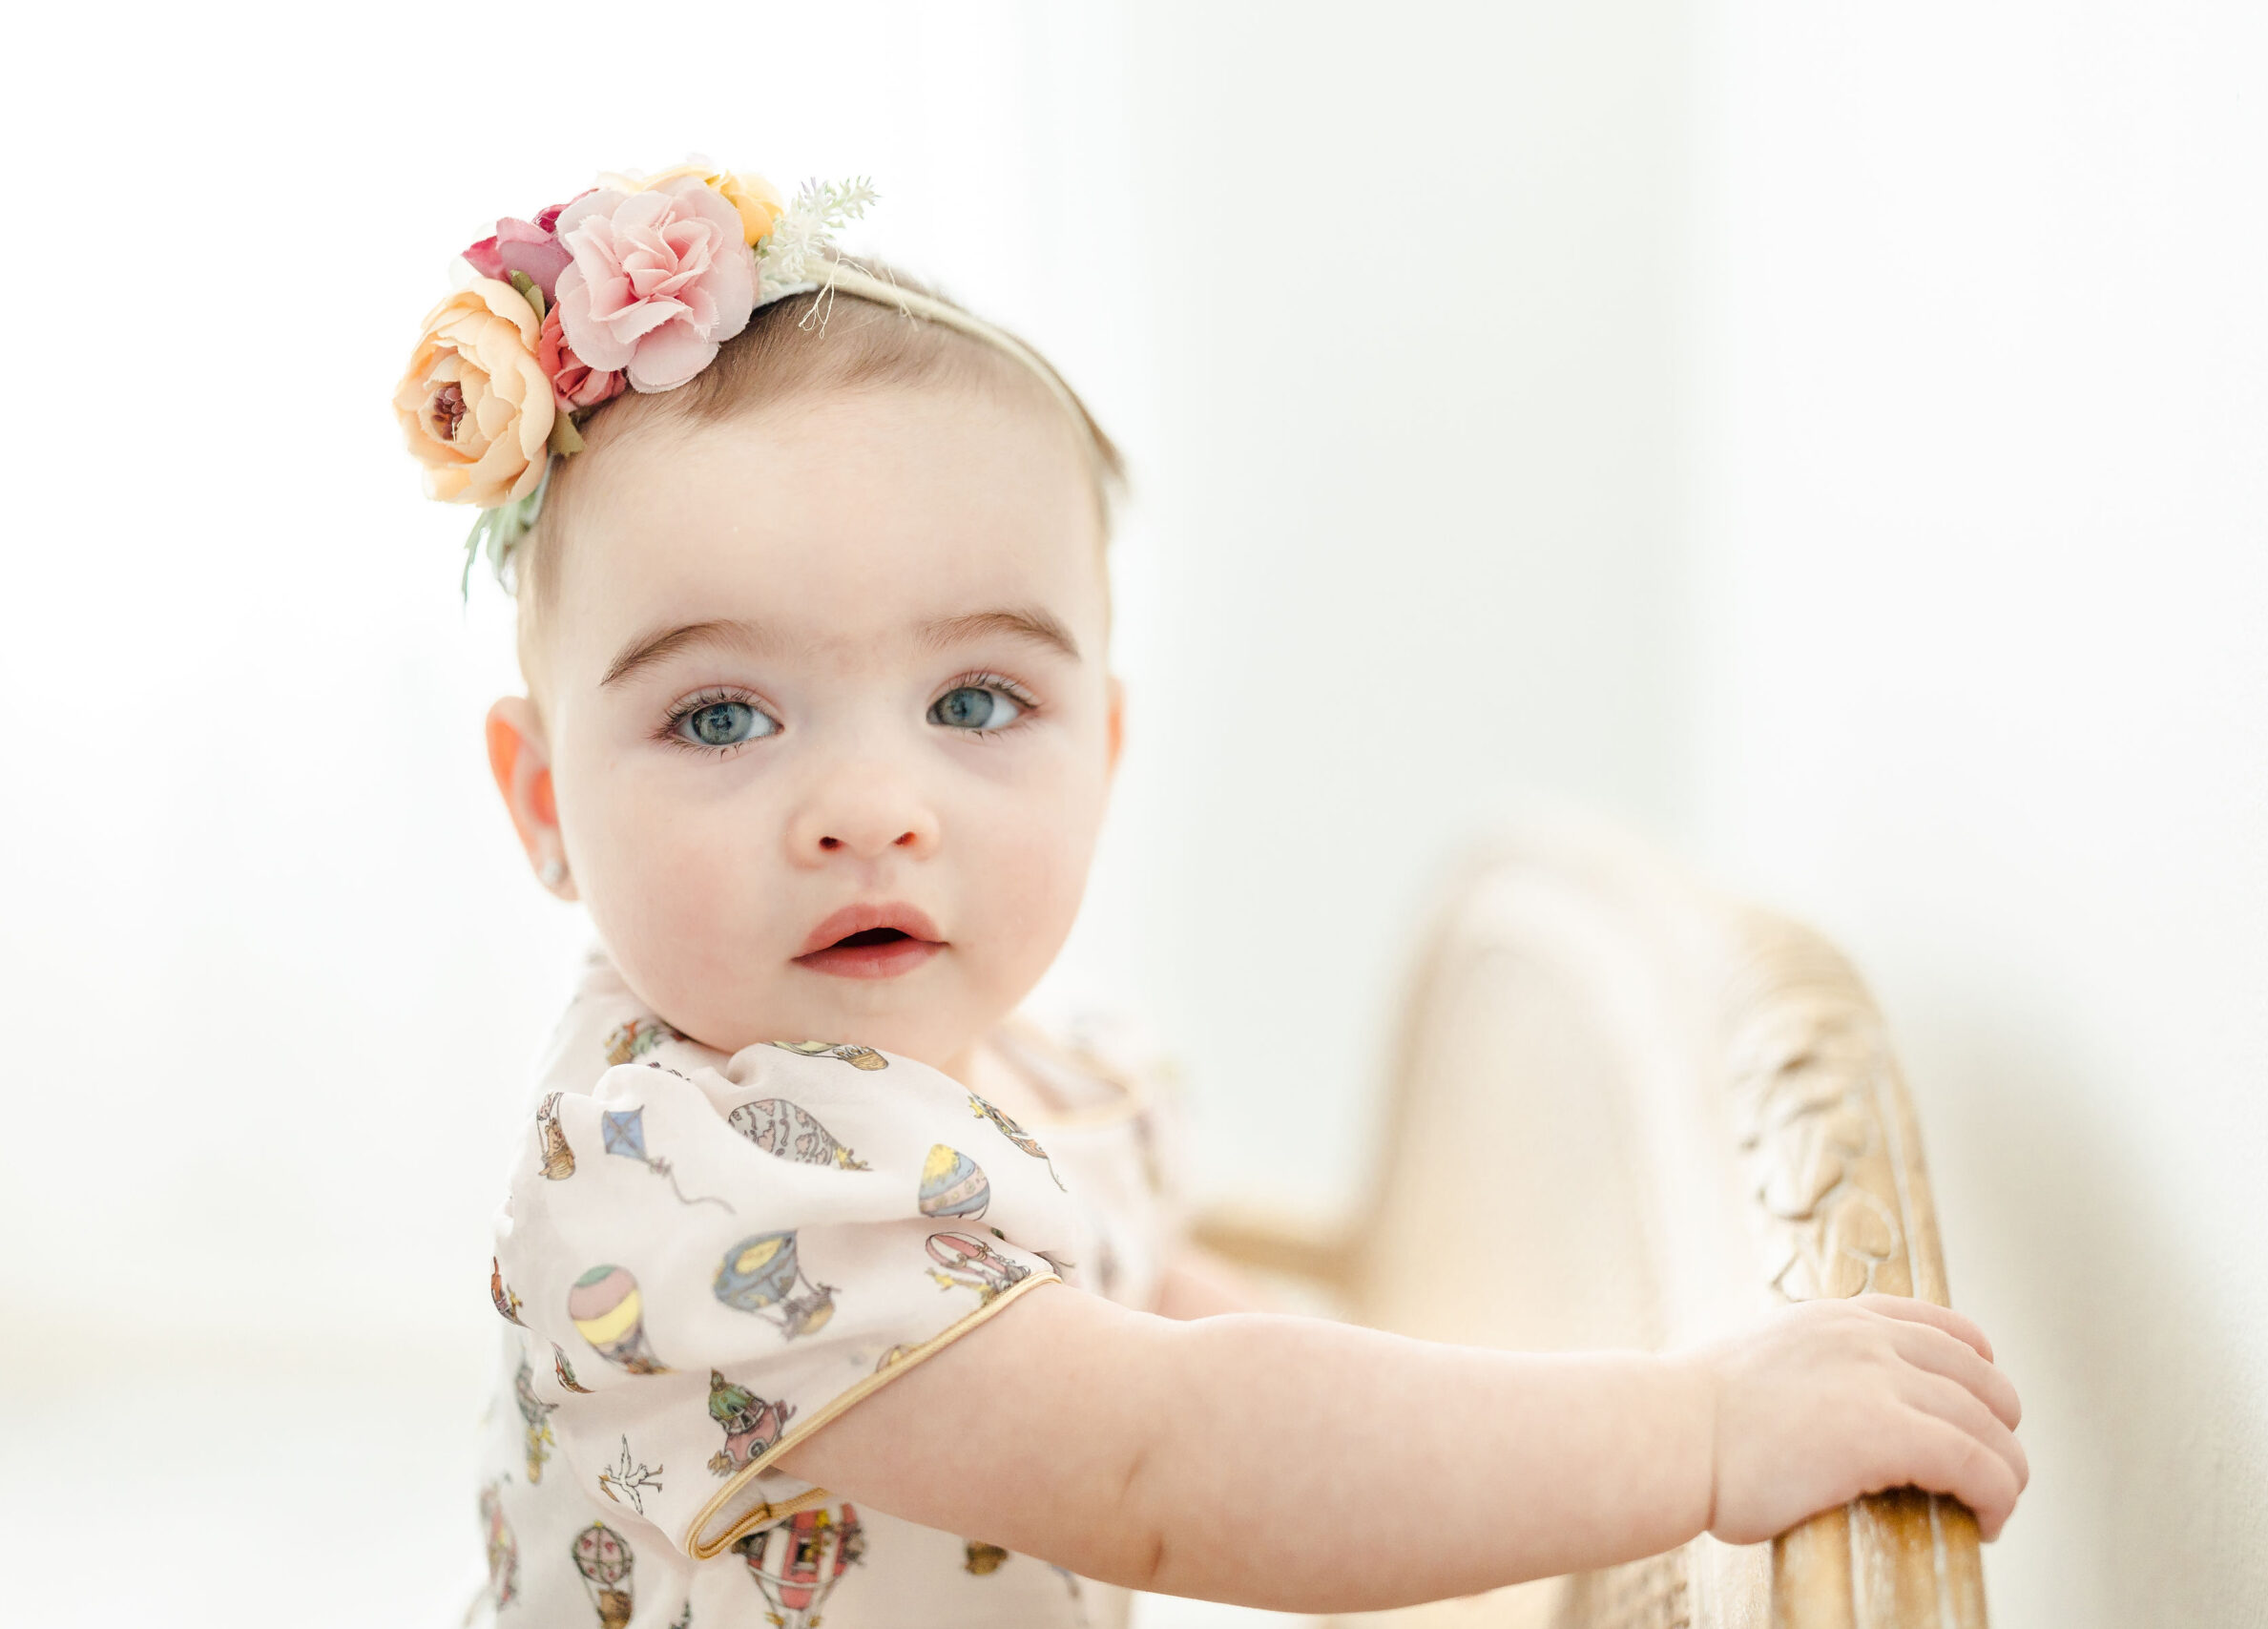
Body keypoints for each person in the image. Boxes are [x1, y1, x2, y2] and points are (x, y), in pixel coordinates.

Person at [398, 159, 2028, 1627]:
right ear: (546, 802)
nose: (873, 813)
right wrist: (1699, 1434)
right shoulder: (693, 1183)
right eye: (723, 717)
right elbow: (1172, 1462)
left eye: (975, 703)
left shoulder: (1042, 1076)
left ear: (1101, 746)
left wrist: (1485, 1465)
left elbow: (1197, 1333)